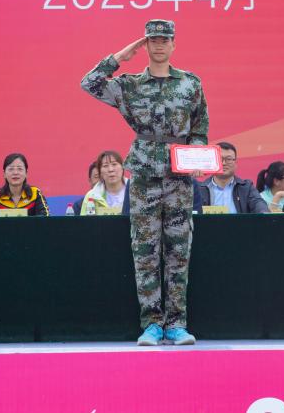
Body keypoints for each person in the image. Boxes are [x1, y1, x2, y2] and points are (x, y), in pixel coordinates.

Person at [81, 18, 208, 347]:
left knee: (178, 252)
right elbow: (90, 83)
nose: (159, 45)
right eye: (152, 40)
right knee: (145, 252)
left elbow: (199, 128)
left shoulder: (190, 83)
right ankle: (151, 324)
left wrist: (197, 157)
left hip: (179, 178)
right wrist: (121, 56)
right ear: (145, 45)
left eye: (165, 40)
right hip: (143, 176)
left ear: (174, 44)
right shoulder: (131, 85)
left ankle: (177, 324)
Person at [197, 142, 267, 214]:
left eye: (229, 159)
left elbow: (258, 203)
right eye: (219, 159)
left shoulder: (246, 187)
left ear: (236, 163)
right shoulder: (199, 188)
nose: (224, 163)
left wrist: (263, 212)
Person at [79, 151, 131, 215]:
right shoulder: (91, 196)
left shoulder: (135, 191)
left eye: (114, 164)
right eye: (105, 166)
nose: (110, 169)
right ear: (100, 172)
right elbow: (84, 220)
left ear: (122, 168)